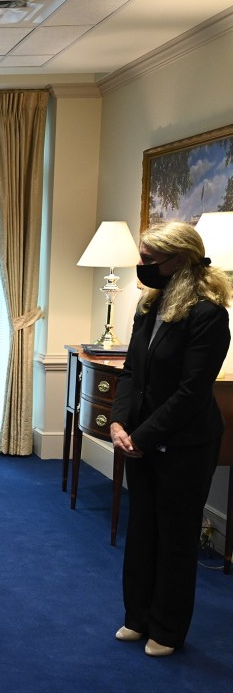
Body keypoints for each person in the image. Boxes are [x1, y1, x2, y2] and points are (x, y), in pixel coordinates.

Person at [109, 221, 231, 657]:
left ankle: (167, 629)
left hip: (185, 445)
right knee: (142, 530)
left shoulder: (209, 314)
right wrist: (118, 424)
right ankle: (138, 617)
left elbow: (191, 392)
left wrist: (141, 436)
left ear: (180, 260)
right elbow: (131, 372)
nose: (142, 266)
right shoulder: (149, 305)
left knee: (175, 537)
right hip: (140, 439)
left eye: (149, 259)